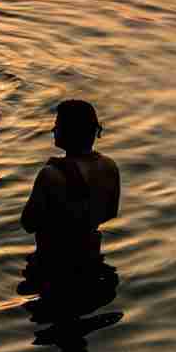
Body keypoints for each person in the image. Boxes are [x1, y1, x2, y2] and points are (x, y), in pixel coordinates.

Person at [21, 100, 119, 281]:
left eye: (57, 125)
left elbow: (28, 223)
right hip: (91, 255)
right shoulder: (110, 166)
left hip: (53, 263)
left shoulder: (50, 174)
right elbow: (110, 213)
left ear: (68, 132)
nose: (53, 130)